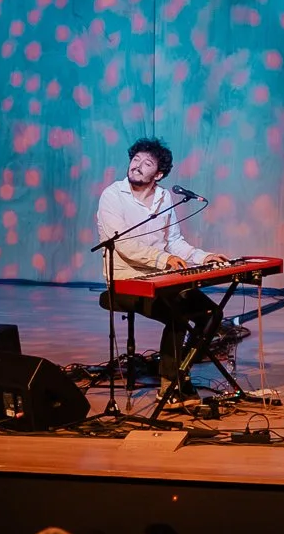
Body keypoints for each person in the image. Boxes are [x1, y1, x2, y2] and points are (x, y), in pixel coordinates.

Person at [96, 137, 231, 400]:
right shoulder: (112, 195)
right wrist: (163, 260)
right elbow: (124, 244)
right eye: (135, 160)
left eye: (146, 163)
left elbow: (174, 242)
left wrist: (204, 257)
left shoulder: (164, 197)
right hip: (126, 280)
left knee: (211, 314)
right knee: (177, 314)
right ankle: (170, 386)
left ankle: (181, 373)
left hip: (161, 277)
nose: (136, 166)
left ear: (158, 174)